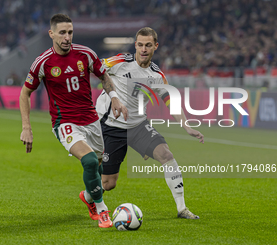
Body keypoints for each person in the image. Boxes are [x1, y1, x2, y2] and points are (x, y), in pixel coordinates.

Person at [19, 14, 128, 228]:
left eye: (70, 32)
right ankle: (102, 208)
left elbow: (104, 76)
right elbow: (25, 93)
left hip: (90, 119)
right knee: (88, 161)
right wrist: (26, 127)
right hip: (64, 122)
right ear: (51, 34)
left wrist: (115, 98)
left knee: (96, 168)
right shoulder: (43, 62)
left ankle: (88, 197)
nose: (67, 37)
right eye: (62, 32)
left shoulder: (86, 54)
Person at [96, 27, 204, 219]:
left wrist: (186, 126)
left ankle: (182, 208)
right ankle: (89, 195)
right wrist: (112, 96)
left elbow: (170, 101)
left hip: (138, 126)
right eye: (140, 45)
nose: (143, 49)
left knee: (166, 155)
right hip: (111, 126)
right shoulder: (120, 61)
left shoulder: (157, 76)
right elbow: (95, 68)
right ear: (135, 45)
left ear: (155, 46)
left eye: (148, 45)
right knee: (108, 184)